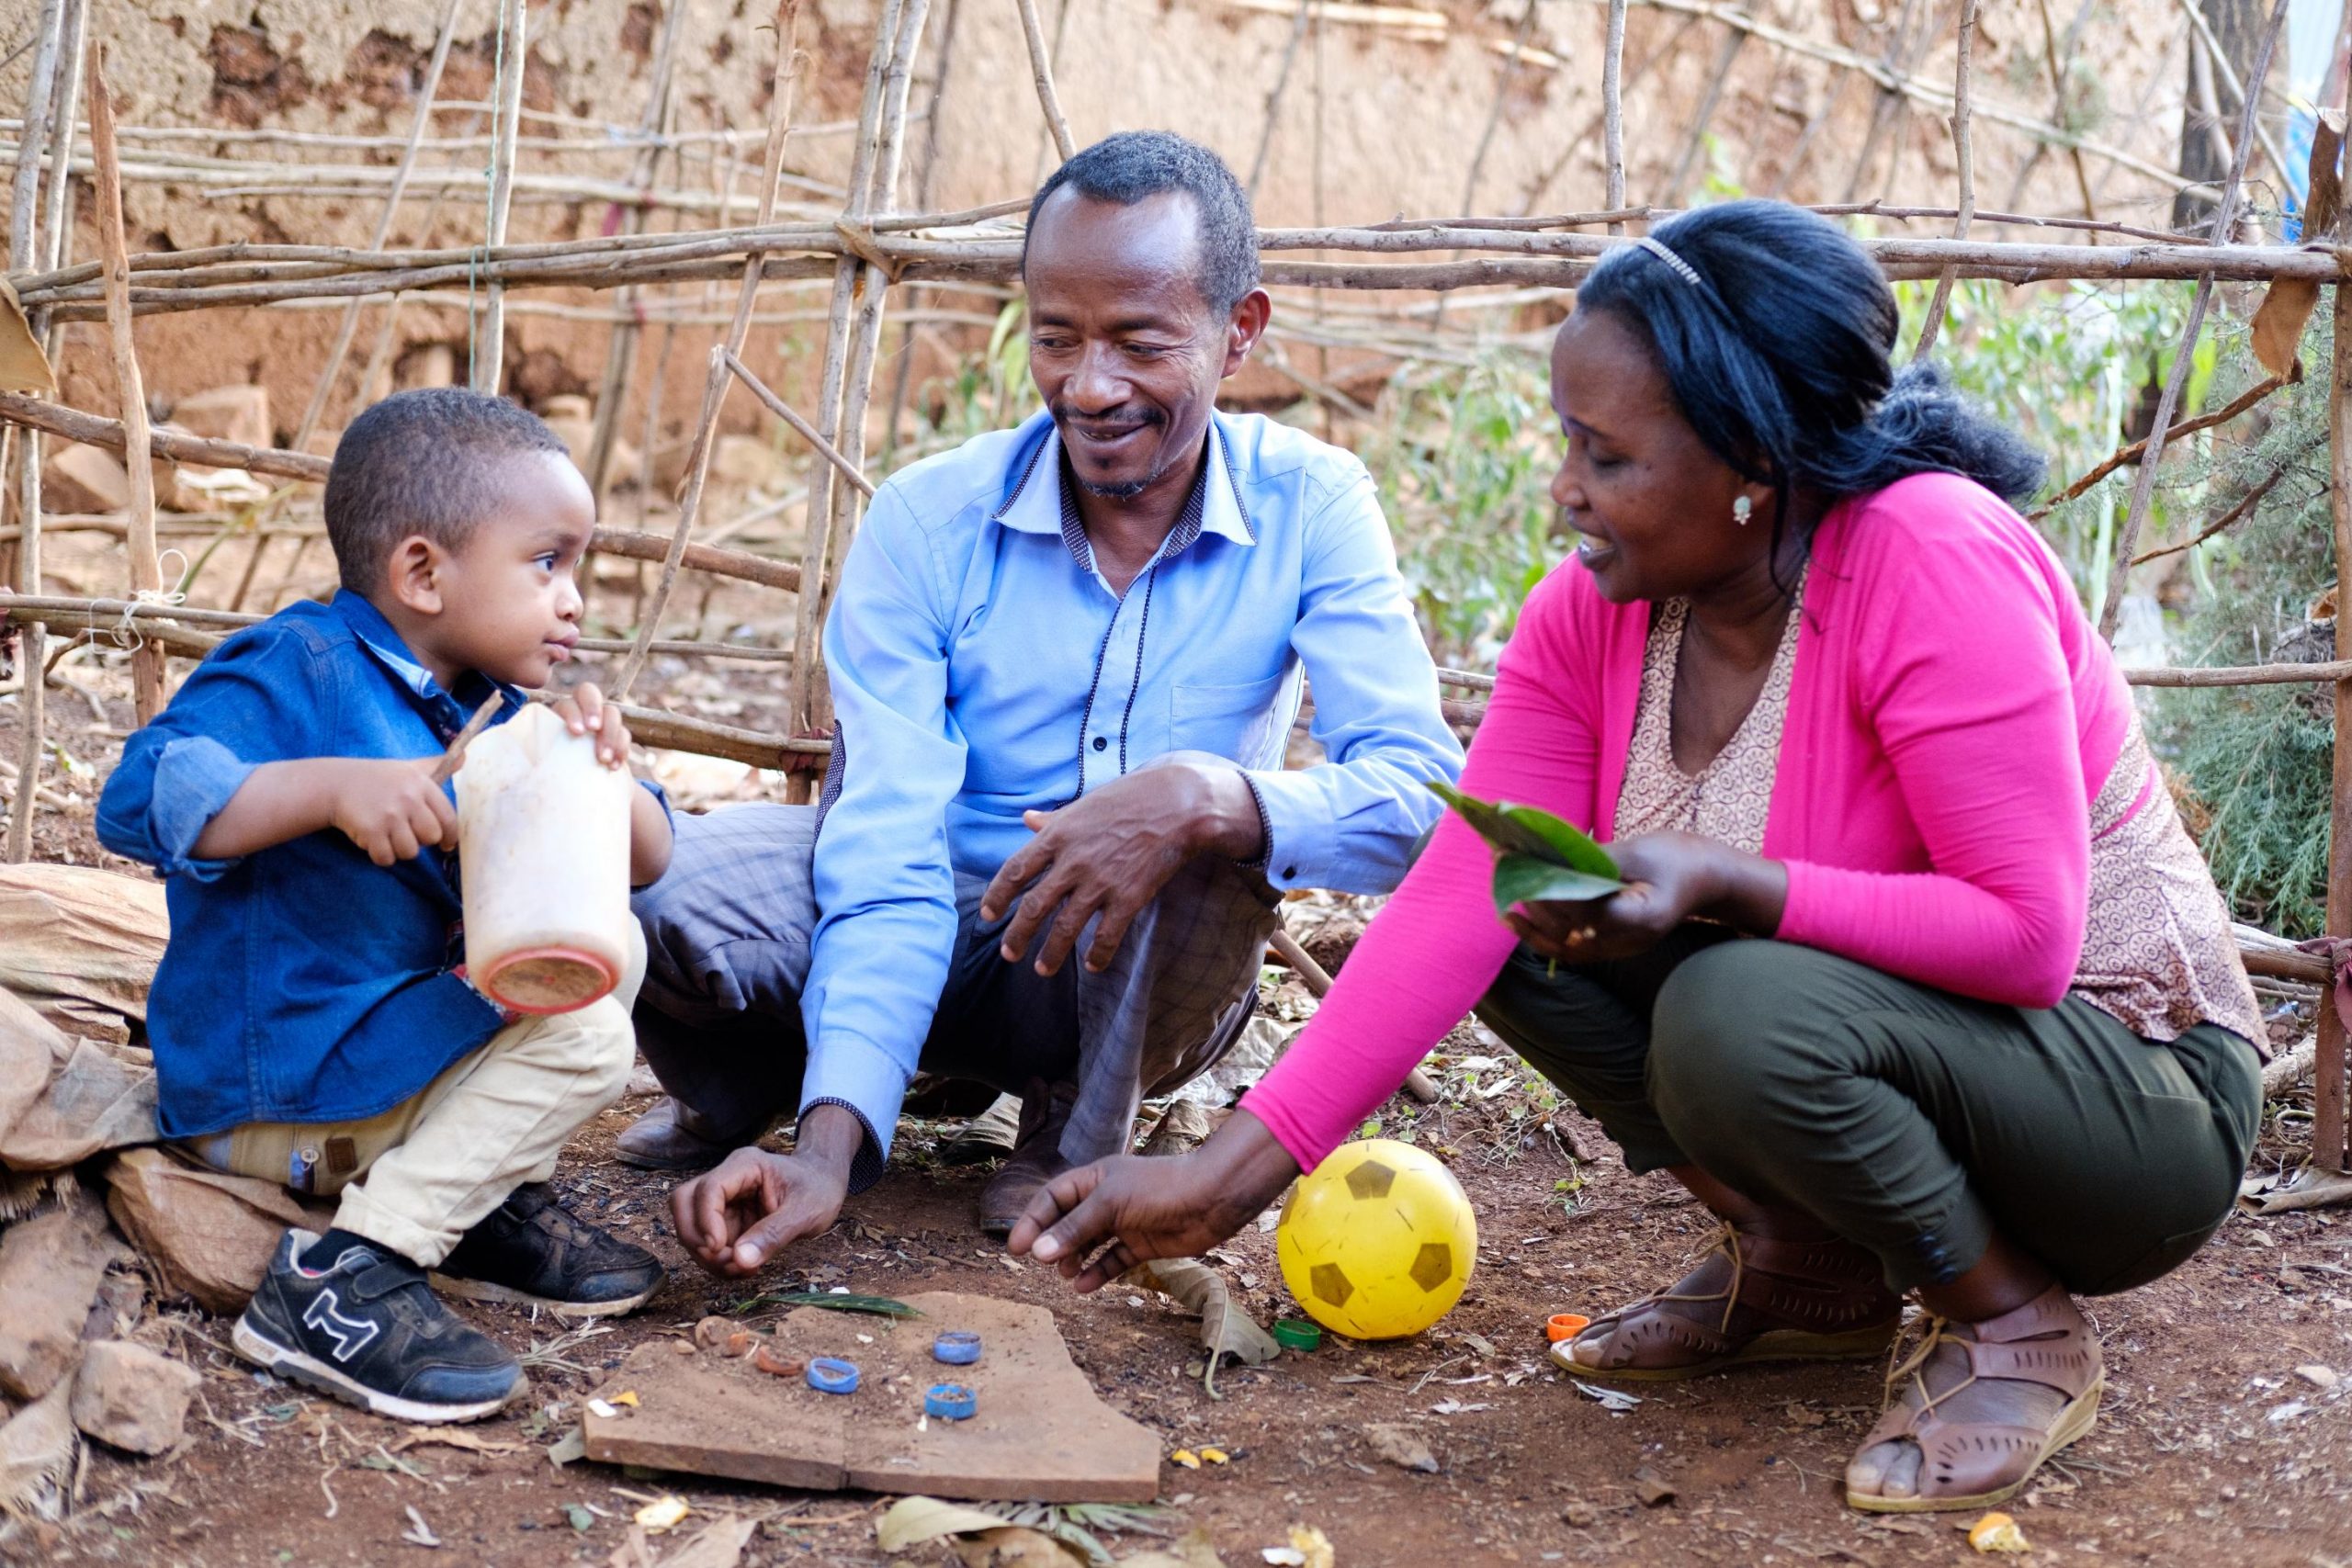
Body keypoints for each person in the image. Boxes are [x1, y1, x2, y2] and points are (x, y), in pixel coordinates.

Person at [1008, 199, 2266, 1516]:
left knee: (1742, 1004)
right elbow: (1452, 899)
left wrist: (1732, 884)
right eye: (1569, 442)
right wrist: (1229, 1180)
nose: (1565, 488)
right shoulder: (1595, 615)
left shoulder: (1931, 557)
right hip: (1917, 1056)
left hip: (2132, 1093)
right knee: (1520, 900)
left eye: (1604, 454)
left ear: (1750, 460)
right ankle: (1804, 1267)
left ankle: (2014, 1320)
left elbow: (2026, 936)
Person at [631, 130, 1463, 1265]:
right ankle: (793, 1087)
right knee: (656, 875)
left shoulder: (1313, 505)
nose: (1089, 385)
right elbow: (887, 846)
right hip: (930, 915)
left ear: (1241, 331)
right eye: (1056, 337)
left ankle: (1070, 1131)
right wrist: (833, 1149)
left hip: (1126, 971)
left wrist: (1202, 794)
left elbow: (1424, 800)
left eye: (1139, 342)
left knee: (1211, 843)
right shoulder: (929, 520)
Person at [97, 389, 677, 1425]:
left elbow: (649, 856)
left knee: (608, 947)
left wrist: (599, 771)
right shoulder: (299, 668)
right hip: (278, 1086)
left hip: (374, 1062)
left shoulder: (487, 713)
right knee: (586, 1038)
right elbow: (141, 793)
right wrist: (329, 789)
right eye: (547, 563)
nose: (575, 598)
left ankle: (478, 1202)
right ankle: (345, 1278)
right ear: (421, 572)